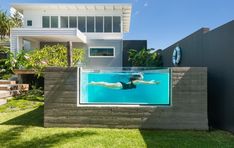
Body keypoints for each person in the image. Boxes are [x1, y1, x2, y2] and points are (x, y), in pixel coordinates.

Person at [88, 73, 160, 90]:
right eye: (142, 77)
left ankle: (94, 83)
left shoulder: (135, 80)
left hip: (120, 85)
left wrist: (151, 81)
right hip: (120, 86)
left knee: (105, 84)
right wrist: (153, 83)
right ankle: (93, 83)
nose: (143, 78)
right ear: (139, 78)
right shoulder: (137, 81)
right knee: (105, 84)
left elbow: (146, 82)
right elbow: (146, 82)